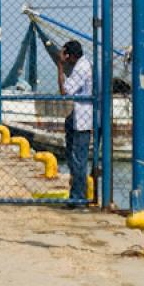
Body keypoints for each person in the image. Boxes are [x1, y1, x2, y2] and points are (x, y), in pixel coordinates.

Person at [56, 40, 93, 205]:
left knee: (78, 158)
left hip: (83, 118)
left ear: (70, 56)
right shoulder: (85, 64)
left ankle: (78, 197)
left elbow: (65, 91)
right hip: (80, 116)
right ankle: (78, 193)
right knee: (76, 155)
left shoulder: (80, 68)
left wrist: (60, 66)